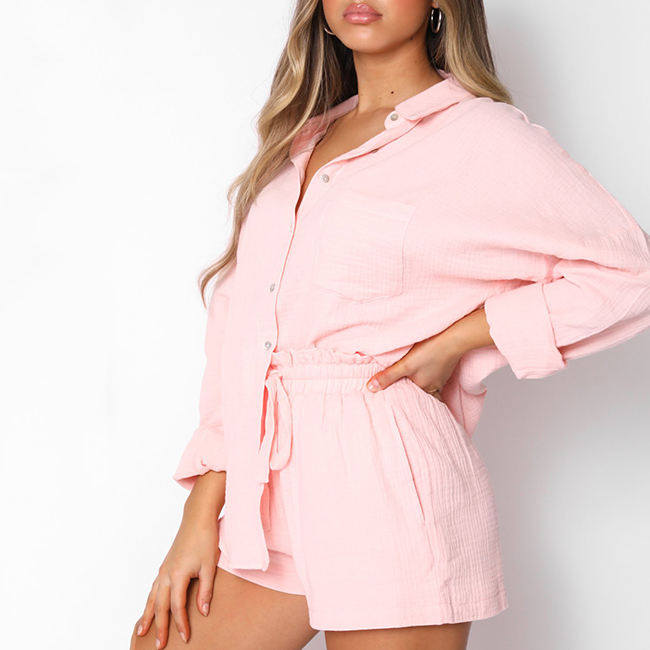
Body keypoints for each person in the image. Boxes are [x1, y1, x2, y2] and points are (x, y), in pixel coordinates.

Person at [130, 1, 650, 648]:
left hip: (390, 482)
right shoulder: (302, 140)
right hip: (267, 493)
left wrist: (462, 339)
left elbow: (630, 271)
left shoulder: (481, 137)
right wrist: (201, 510)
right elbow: (242, 336)